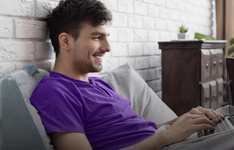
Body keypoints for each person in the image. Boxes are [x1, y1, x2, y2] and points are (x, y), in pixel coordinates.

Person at [30, 0, 224, 149]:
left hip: (172, 140)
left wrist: (183, 121)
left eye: (106, 38)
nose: (107, 47)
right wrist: (167, 137)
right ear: (65, 41)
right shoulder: (55, 91)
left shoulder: (100, 85)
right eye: (97, 37)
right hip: (168, 145)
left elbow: (137, 131)